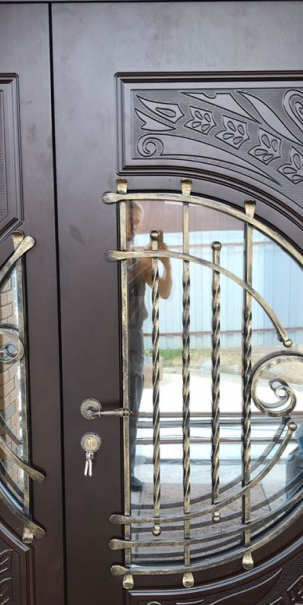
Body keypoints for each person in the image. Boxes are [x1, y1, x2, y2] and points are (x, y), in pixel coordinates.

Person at [127, 202, 173, 490]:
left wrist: (165, 261)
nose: (135, 226)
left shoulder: (140, 256)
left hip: (133, 334)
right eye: (130, 220)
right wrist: (137, 266)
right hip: (101, 335)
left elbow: (164, 292)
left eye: (138, 221)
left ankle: (126, 470)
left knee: (131, 404)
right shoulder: (103, 250)